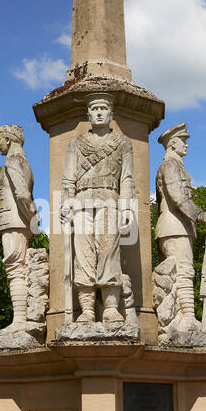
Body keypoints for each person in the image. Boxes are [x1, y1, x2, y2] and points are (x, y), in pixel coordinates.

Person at [59, 94, 135, 324]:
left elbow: (127, 178)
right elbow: (68, 178)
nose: (99, 112)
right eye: (94, 108)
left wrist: (126, 207)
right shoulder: (76, 143)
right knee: (83, 256)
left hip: (109, 201)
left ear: (111, 114)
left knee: (109, 253)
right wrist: (66, 200)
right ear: (88, 114)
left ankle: (111, 307)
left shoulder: (123, 143)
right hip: (81, 203)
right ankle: (88, 309)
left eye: (103, 108)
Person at [154, 123, 206, 326]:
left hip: (178, 227)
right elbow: (177, 196)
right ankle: (186, 318)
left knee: (183, 272)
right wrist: (199, 215)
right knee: (183, 272)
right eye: (183, 141)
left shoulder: (176, 165)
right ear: (172, 144)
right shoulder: (170, 165)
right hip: (174, 227)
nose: (186, 146)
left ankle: (185, 316)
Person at [0, 125, 39, 334]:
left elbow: (22, 194)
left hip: (13, 221)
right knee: (18, 268)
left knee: (15, 269)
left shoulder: (13, 161)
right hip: (18, 221)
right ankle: (20, 319)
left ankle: (20, 320)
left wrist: (33, 219)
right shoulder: (23, 161)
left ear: (9, 139)